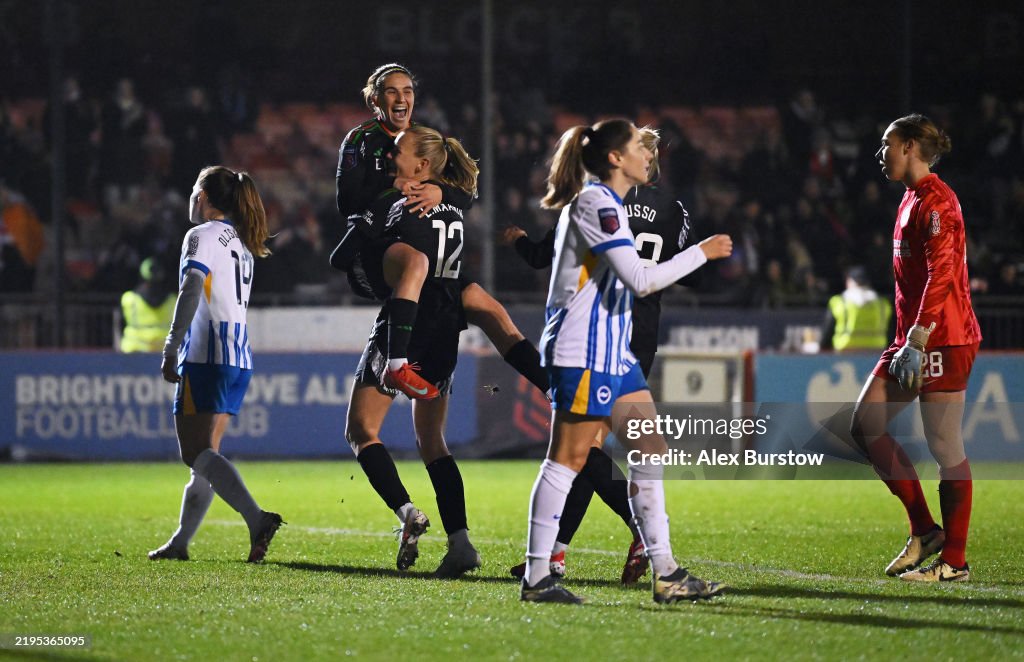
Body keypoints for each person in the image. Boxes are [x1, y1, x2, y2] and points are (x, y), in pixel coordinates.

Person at [520, 119, 733, 604]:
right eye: (638, 146)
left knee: (650, 450)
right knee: (567, 460)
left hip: (614, 351)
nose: (647, 153)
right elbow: (640, 279)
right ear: (616, 158)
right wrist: (701, 251)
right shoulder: (595, 203)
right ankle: (536, 578)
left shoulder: (610, 203)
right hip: (583, 350)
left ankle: (667, 572)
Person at [332, 63, 550, 400]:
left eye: (408, 91)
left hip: (432, 265)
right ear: (375, 99)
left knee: (488, 308)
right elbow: (346, 200)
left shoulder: (422, 139)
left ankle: (556, 388)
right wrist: (393, 184)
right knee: (417, 266)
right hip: (379, 248)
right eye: (392, 91)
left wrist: (441, 192)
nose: (402, 98)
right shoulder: (360, 140)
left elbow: (464, 192)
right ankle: (397, 363)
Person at [345, 125, 482, 578]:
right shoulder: (454, 204)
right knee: (433, 442)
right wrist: (440, 187)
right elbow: (464, 197)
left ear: (421, 165)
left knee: (362, 431)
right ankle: (461, 543)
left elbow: (343, 256)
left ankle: (407, 513)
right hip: (446, 325)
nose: (389, 157)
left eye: (398, 152)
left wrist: (368, 226)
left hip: (406, 323)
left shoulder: (400, 200)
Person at [850, 114, 981, 582]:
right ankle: (926, 530)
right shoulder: (912, 198)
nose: (880, 153)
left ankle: (955, 562)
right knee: (865, 425)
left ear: (909, 146)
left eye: (887, 144)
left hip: (942, 337)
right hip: (913, 338)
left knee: (945, 444)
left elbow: (943, 275)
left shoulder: (938, 203)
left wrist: (920, 340)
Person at [149, 166, 283, 563]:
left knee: (194, 453)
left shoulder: (201, 235)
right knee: (206, 457)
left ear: (204, 196)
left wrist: (172, 345)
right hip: (238, 355)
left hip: (206, 354)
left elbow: (192, 287)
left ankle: (257, 518)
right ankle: (180, 542)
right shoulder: (241, 242)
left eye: (194, 189)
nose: (191, 197)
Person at [820, 265, 893, 352]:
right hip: (876, 352)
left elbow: (828, 331)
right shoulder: (883, 304)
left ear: (849, 281)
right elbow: (891, 332)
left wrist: (822, 348)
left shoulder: (839, 302)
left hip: (845, 351)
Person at [120, 257, 176, 353]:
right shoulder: (174, 300)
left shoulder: (129, 299)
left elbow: (120, 325)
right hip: (165, 351)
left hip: (134, 351)